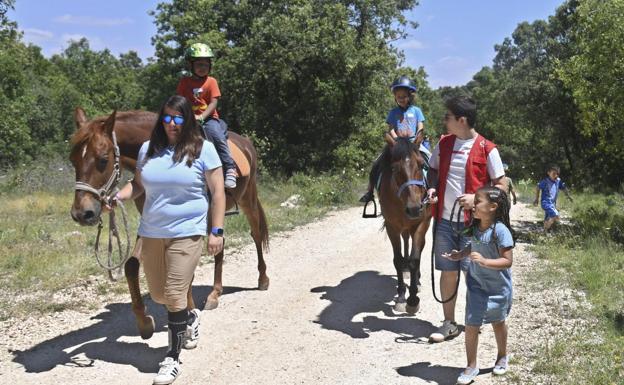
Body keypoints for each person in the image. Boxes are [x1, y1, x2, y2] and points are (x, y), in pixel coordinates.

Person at [111, 95, 225, 384]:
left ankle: (171, 358)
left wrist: (216, 231)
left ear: (186, 120)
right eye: (167, 118)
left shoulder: (204, 149)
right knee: (160, 295)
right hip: (152, 232)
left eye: (177, 119)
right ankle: (190, 318)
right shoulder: (149, 149)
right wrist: (117, 197)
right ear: (161, 120)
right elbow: (137, 185)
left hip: (188, 231)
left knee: (174, 295)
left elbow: (218, 192)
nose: (171, 124)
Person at [426, 95, 507, 343]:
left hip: (475, 226)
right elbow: (433, 170)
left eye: (448, 117)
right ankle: (449, 323)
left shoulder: (487, 148)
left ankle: (474, 320)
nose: (444, 121)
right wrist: (432, 189)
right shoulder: (444, 143)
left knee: (475, 274)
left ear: (462, 120)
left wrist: (477, 198)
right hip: (444, 222)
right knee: (448, 271)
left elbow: (502, 185)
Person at [442, 186, 514, 384]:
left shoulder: (500, 230)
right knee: (472, 325)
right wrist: (459, 254)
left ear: (492, 207)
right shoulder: (475, 227)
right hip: (476, 286)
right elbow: (472, 245)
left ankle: (502, 355)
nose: (474, 204)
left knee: (498, 323)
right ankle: (471, 365)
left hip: (498, 289)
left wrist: (484, 261)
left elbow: (507, 261)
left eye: (478, 201)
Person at [176, 42, 238, 189]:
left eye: (205, 64)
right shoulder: (184, 82)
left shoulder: (211, 81)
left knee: (216, 136)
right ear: (191, 66)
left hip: (208, 119)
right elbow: (180, 101)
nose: (202, 67)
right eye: (198, 64)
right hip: (188, 119)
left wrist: (202, 117)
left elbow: (213, 103)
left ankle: (230, 168)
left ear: (210, 65)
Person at [359, 75, 428, 203]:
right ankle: (369, 192)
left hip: (413, 143)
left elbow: (420, 125)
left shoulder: (416, 110)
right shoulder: (393, 112)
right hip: (398, 143)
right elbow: (391, 128)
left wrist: (418, 136)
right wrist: (396, 140)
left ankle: (430, 189)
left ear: (410, 96)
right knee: (377, 162)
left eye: (404, 96)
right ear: (395, 97)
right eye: (398, 97)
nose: (401, 99)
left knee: (429, 161)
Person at [533, 165, 572, 232]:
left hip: (552, 203)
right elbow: (538, 187)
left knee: (548, 218)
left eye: (557, 174)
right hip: (546, 203)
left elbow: (563, 188)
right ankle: (546, 230)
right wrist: (536, 199)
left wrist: (568, 196)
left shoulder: (558, 181)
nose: (556, 175)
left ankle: (545, 233)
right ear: (548, 173)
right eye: (554, 173)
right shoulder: (545, 181)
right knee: (556, 216)